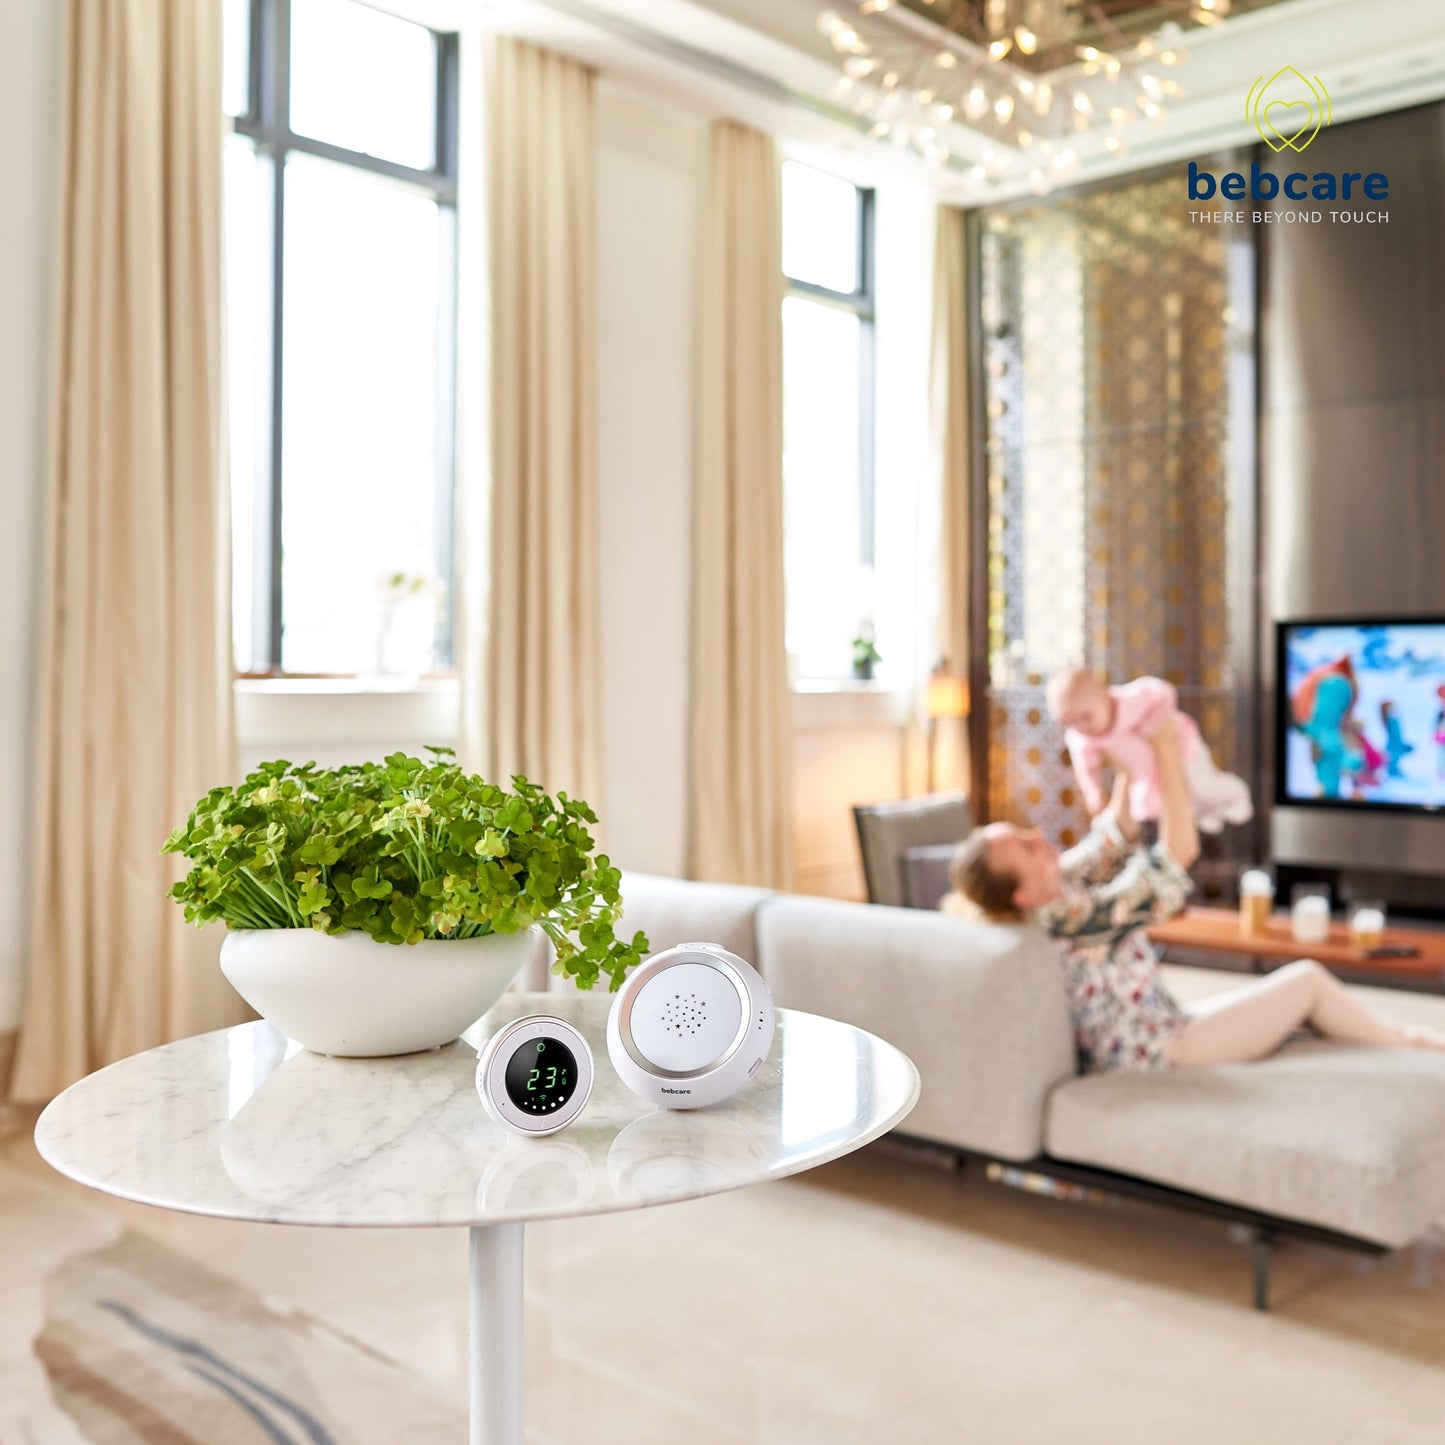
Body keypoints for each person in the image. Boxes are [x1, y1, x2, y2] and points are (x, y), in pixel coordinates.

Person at [946, 715, 1445, 1072]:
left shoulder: (1059, 889)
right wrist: (1164, 748)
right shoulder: (1071, 918)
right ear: (1021, 897)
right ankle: (1418, 1051)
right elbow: (1177, 851)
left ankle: (1408, 1045)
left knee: (1299, 1005)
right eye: (1026, 849)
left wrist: (1127, 758)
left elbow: (1113, 834)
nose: (1038, 838)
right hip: (1159, 1053)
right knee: (1307, 982)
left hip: (1169, 1023)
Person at [1048, 668, 1252, 834]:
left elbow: (1164, 691)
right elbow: (1086, 769)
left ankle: (1234, 792)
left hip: (1182, 748)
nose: (1081, 727)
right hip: (1150, 772)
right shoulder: (1081, 738)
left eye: (1085, 717)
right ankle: (1210, 813)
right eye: (1070, 722)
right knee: (1160, 808)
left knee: (1200, 785)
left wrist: (1156, 722)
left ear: (1104, 696)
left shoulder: (1127, 700)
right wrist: (1094, 793)